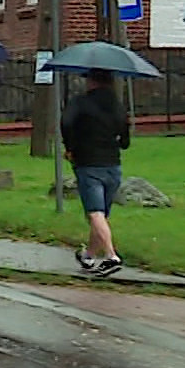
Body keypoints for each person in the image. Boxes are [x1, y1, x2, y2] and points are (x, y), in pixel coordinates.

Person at [63, 68, 131, 277]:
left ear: (91, 81)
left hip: (88, 162)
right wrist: (122, 142)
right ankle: (89, 255)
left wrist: (70, 147)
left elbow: (66, 122)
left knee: (94, 212)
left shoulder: (80, 102)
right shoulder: (117, 105)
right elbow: (125, 133)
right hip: (113, 164)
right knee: (101, 214)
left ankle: (111, 256)